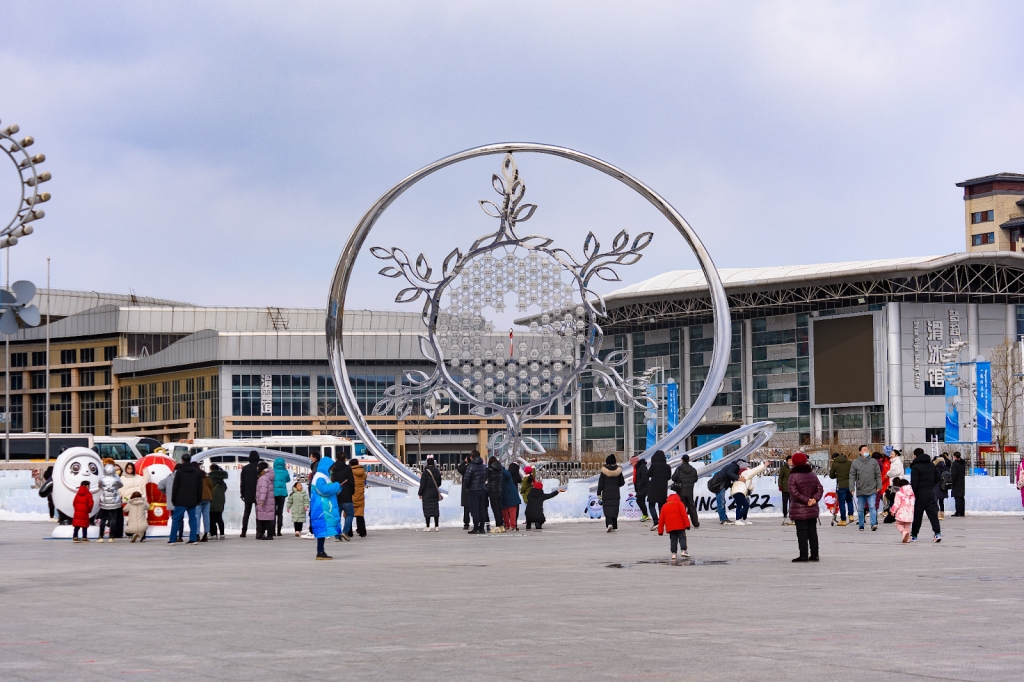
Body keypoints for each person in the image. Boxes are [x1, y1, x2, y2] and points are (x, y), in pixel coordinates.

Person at [788, 452, 823, 562]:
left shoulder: (793, 476)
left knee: (802, 531)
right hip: (812, 508)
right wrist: (814, 499)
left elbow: (793, 492)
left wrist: (806, 500)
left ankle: (803, 555)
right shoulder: (812, 474)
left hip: (799, 508)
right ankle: (815, 554)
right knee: (812, 531)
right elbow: (819, 488)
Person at [310, 456, 341, 560]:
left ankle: (321, 551)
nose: (331, 469)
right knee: (321, 530)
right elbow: (324, 490)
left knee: (322, 530)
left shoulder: (322, 476)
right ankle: (320, 552)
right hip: (321, 508)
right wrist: (337, 485)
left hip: (322, 507)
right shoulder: (320, 477)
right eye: (330, 467)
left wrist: (337, 487)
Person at [169, 454, 203, 545]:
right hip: (193, 499)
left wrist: (174, 499)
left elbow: (175, 487)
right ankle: (193, 538)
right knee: (193, 519)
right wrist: (198, 499)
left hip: (180, 500)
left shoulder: (179, 472)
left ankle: (172, 539)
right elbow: (200, 487)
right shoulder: (196, 472)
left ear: (182, 460)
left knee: (176, 519)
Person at [910, 448, 941, 542]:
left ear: (915, 456)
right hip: (931, 493)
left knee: (918, 515)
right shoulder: (931, 465)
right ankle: (937, 533)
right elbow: (937, 477)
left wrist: (914, 493)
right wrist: (931, 486)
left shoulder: (915, 467)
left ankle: (914, 535)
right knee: (933, 515)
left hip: (920, 494)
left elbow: (914, 483)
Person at [849, 445, 882, 531]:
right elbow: (852, 476)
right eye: (864, 450)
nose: (866, 451)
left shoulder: (873, 462)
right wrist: (851, 487)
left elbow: (878, 475)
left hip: (872, 488)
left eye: (867, 449)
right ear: (860, 452)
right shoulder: (855, 463)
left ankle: (873, 524)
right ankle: (861, 524)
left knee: (872, 507)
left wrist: (879, 486)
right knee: (860, 508)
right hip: (861, 489)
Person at [657, 492, 691, 564]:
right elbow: (684, 515)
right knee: (682, 537)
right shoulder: (679, 504)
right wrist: (687, 525)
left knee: (673, 539)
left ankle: (673, 553)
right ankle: (683, 550)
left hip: (670, 527)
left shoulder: (664, 506)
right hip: (680, 526)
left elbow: (661, 520)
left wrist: (660, 531)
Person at [731, 459, 767, 525]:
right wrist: (763, 466)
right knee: (746, 505)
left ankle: (743, 519)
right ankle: (738, 519)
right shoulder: (746, 472)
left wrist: (750, 489)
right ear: (745, 467)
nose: (749, 468)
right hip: (739, 492)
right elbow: (754, 471)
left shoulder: (741, 474)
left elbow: (747, 484)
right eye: (748, 466)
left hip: (737, 491)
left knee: (739, 505)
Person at [670, 455, 700, 529]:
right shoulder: (693, 469)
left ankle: (683, 523)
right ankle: (695, 523)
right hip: (690, 491)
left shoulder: (679, 469)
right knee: (692, 507)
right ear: (689, 460)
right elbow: (695, 479)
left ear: (682, 460)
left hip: (681, 491)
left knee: (681, 508)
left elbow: (674, 478)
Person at [96, 463, 123, 543]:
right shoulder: (116, 479)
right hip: (114, 501)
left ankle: (101, 536)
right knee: (113, 519)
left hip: (104, 501)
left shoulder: (102, 479)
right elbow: (121, 485)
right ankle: (111, 537)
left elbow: (99, 486)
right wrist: (112, 489)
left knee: (103, 519)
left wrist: (107, 489)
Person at [597, 455, 625, 532]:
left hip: (606, 493)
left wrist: (599, 492)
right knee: (614, 508)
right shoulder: (619, 471)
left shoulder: (604, 471)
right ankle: (614, 525)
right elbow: (622, 483)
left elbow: (601, 483)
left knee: (607, 508)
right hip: (615, 493)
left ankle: (609, 524)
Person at [708, 460, 741, 525]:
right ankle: (723, 519)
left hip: (720, 486)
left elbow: (728, 477)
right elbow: (729, 473)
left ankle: (723, 518)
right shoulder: (734, 467)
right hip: (719, 486)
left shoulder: (731, 466)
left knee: (721, 502)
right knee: (721, 502)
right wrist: (738, 478)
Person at [463, 450, 488, 534]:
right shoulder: (483, 466)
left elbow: (467, 478)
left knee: (475, 509)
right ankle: (482, 528)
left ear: (472, 457)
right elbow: (485, 476)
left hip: (473, 490)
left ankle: (476, 527)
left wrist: (466, 487)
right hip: (482, 489)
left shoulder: (471, 467)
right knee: (482, 509)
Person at [331, 457, 356, 541]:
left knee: (337, 516)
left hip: (336, 496)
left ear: (336, 458)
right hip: (347, 496)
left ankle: (337, 536)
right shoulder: (348, 468)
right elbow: (351, 482)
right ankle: (345, 531)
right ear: (345, 459)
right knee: (350, 514)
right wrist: (351, 492)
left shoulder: (333, 468)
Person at [646, 450, 671, 529]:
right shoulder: (667, 466)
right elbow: (669, 477)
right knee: (661, 506)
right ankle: (661, 522)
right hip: (663, 488)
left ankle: (656, 521)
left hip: (653, 487)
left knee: (651, 505)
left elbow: (648, 474)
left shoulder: (654, 466)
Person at [418, 456, 443, 531]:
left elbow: (422, 484)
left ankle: (428, 526)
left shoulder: (425, 473)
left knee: (427, 509)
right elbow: (439, 483)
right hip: (434, 492)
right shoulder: (437, 471)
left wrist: (420, 493)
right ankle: (436, 526)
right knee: (435, 509)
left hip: (426, 493)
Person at [828, 452, 854, 526]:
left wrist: (838, 475)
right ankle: (851, 515)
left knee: (842, 503)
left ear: (834, 458)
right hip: (850, 484)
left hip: (841, 485)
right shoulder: (849, 462)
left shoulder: (835, 464)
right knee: (849, 501)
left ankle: (843, 520)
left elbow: (831, 475)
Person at [158, 466, 182, 542]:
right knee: (181, 519)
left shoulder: (168, 478)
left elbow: (160, 486)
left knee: (174, 519)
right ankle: (180, 536)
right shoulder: (183, 477)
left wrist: (166, 493)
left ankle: (173, 536)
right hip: (182, 501)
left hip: (172, 502)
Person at [239, 451, 260, 538]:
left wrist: (242, 493)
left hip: (248, 493)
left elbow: (242, 482)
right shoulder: (260, 468)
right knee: (258, 513)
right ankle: (259, 531)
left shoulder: (245, 468)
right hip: (258, 493)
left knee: (247, 512)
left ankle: (244, 531)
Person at [889, 478, 915, 542]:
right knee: (907, 526)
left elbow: (897, 503)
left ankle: (904, 533)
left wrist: (893, 511)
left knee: (898, 524)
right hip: (910, 513)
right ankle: (907, 539)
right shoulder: (912, 493)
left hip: (902, 512)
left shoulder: (899, 493)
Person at [255, 461, 276, 540]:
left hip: (265, 502)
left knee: (265, 519)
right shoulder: (268, 477)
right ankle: (263, 534)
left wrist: (261, 500)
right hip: (269, 501)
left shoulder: (263, 478)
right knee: (265, 518)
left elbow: (263, 490)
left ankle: (269, 535)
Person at [485, 456, 506, 533]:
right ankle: (501, 525)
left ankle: (497, 526)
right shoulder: (500, 468)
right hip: (499, 490)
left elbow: (485, 478)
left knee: (495, 509)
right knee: (499, 508)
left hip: (492, 490)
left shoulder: (489, 469)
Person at [273, 457, 291, 537]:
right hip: (282, 494)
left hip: (273, 493)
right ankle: (279, 531)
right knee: (280, 513)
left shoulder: (272, 471)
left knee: (272, 513)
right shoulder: (285, 472)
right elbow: (288, 480)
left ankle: (272, 531)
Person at [209, 463, 228, 539]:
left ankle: (213, 534)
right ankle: (222, 534)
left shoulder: (210, 479)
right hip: (221, 500)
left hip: (212, 500)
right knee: (219, 517)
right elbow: (225, 488)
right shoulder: (222, 480)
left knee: (212, 518)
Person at [500, 463, 521, 531]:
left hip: (504, 494)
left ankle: (507, 525)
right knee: (512, 511)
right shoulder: (511, 475)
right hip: (512, 494)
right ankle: (512, 525)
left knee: (505, 511)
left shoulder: (502, 475)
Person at [631, 455, 650, 522]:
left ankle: (645, 515)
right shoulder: (637, 468)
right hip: (640, 487)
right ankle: (645, 515)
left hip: (643, 487)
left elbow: (645, 476)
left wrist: (640, 483)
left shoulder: (642, 467)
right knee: (642, 501)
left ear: (635, 462)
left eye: (632, 463)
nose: (632, 465)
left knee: (639, 500)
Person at [350, 458, 367, 537]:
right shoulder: (363, 474)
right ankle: (362, 532)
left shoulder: (349, 473)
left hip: (351, 495)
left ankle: (349, 532)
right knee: (360, 515)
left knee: (349, 514)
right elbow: (365, 482)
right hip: (360, 496)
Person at [196, 466, 213, 542]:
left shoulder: (195, 477)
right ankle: (206, 534)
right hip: (207, 497)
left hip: (198, 498)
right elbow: (210, 487)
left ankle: (197, 534)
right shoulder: (206, 476)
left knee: (197, 517)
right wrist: (210, 496)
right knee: (206, 516)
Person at [457, 455, 471, 530]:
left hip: (466, 489)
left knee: (466, 507)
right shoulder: (474, 467)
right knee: (475, 507)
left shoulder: (465, 468)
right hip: (474, 488)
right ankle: (477, 522)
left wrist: (464, 462)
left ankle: (466, 523)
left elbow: (458, 468)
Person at [778, 456, 793, 526]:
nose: (791, 461)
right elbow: (780, 477)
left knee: (792, 501)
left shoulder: (794, 468)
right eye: (790, 460)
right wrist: (780, 485)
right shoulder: (784, 468)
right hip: (785, 488)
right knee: (785, 501)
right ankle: (784, 513)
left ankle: (791, 513)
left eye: (792, 460)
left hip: (792, 488)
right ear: (787, 461)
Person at [950, 452, 966, 517]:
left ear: (955, 457)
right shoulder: (962, 463)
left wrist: (951, 482)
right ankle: (962, 512)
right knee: (961, 497)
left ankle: (958, 512)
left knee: (957, 498)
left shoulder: (955, 464)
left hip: (956, 483)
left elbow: (954, 475)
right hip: (962, 482)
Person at [934, 455, 950, 521]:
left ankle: (938, 515)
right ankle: (942, 515)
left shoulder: (935, 468)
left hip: (937, 486)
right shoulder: (945, 468)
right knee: (941, 501)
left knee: (936, 501)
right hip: (944, 486)